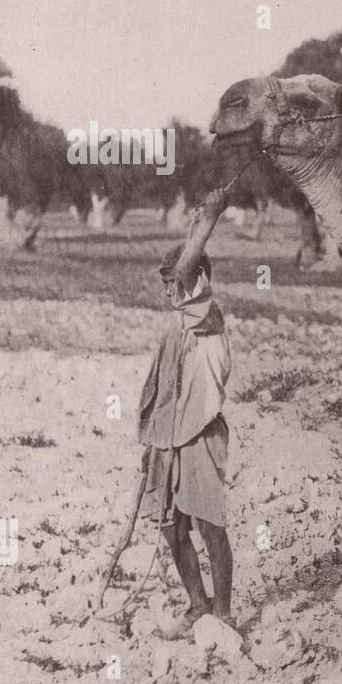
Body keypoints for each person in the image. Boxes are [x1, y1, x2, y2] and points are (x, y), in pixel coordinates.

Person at [137, 189, 234, 633]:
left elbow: (188, 267)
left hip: (200, 435)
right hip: (169, 437)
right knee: (171, 528)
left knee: (209, 526)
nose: (168, 289)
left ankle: (223, 613)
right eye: (164, 283)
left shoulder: (206, 316)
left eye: (175, 281)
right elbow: (160, 395)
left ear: (197, 280)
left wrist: (206, 222)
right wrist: (151, 445)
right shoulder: (177, 326)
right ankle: (198, 602)